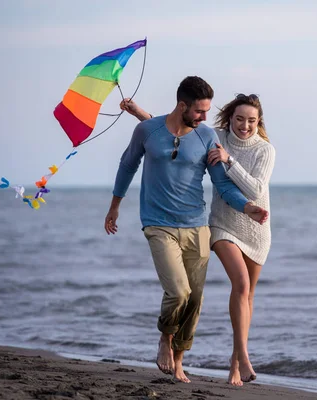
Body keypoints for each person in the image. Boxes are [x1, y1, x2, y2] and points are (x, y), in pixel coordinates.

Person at [105, 76, 269, 384]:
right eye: (200, 111)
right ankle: (165, 337)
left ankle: (179, 360)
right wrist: (115, 205)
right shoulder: (146, 131)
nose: (206, 118)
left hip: (196, 226)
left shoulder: (206, 136)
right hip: (158, 224)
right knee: (178, 291)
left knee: (194, 300)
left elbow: (221, 183)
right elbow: (128, 165)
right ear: (183, 106)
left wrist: (247, 207)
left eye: (208, 111)